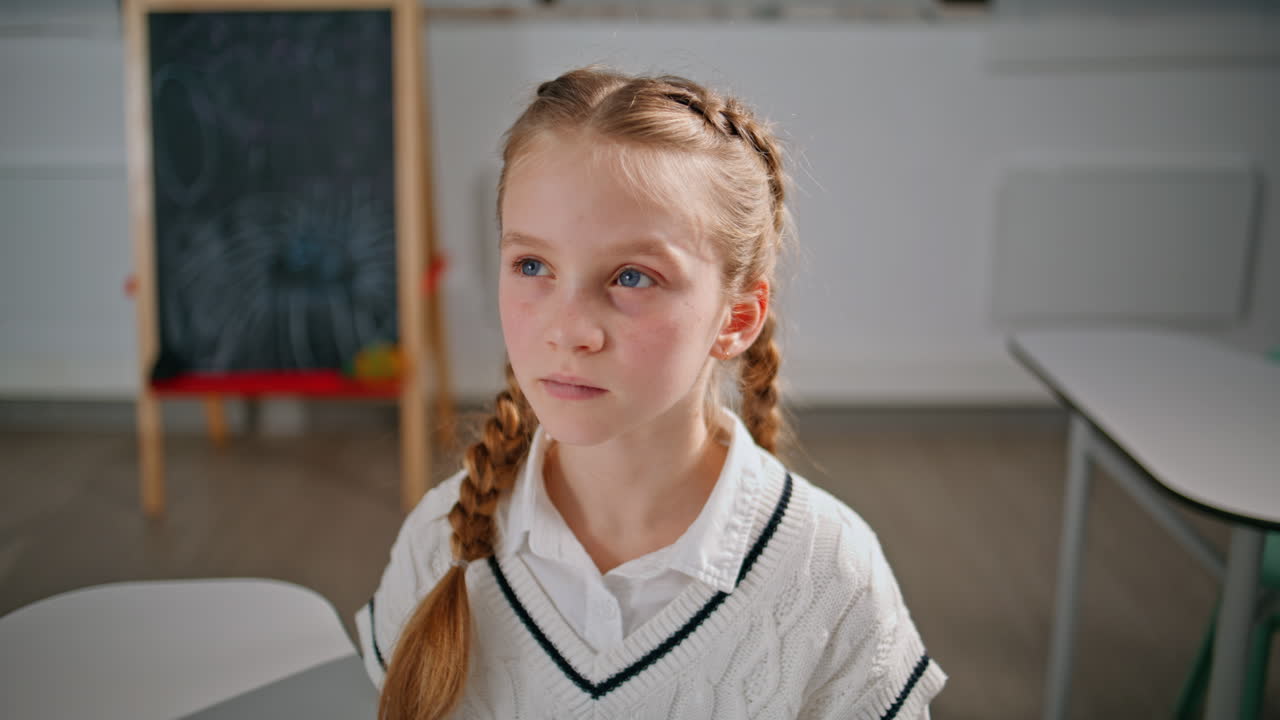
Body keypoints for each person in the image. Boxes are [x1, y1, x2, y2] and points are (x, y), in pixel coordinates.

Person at [355, 66, 946, 720]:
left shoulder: (830, 575)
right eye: (532, 266)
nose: (567, 330)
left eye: (632, 277)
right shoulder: (439, 541)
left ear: (736, 318)